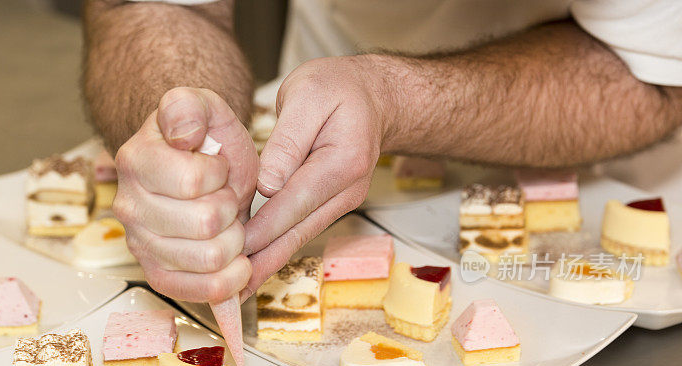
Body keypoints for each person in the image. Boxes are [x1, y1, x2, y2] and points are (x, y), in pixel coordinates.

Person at [82, 0, 682, 303]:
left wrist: (396, 99)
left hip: (610, 177)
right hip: (323, 123)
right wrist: (181, 123)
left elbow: (653, 76)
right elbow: (151, 9)